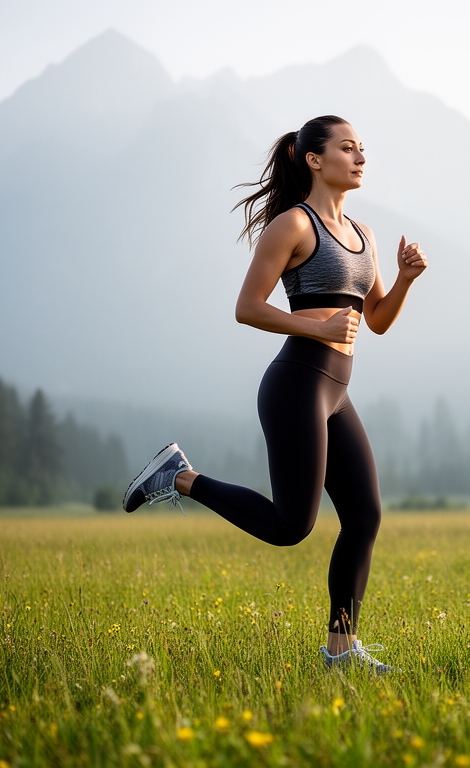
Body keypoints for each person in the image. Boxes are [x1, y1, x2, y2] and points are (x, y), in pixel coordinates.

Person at [123, 115, 427, 674]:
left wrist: (405, 279)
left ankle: (339, 654)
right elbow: (247, 307)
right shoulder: (293, 225)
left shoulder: (365, 235)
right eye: (347, 148)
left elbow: (376, 321)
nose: (360, 158)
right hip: (296, 385)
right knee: (293, 527)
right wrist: (316, 328)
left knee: (364, 517)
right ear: (314, 159)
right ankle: (180, 476)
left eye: (363, 149)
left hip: (336, 391)